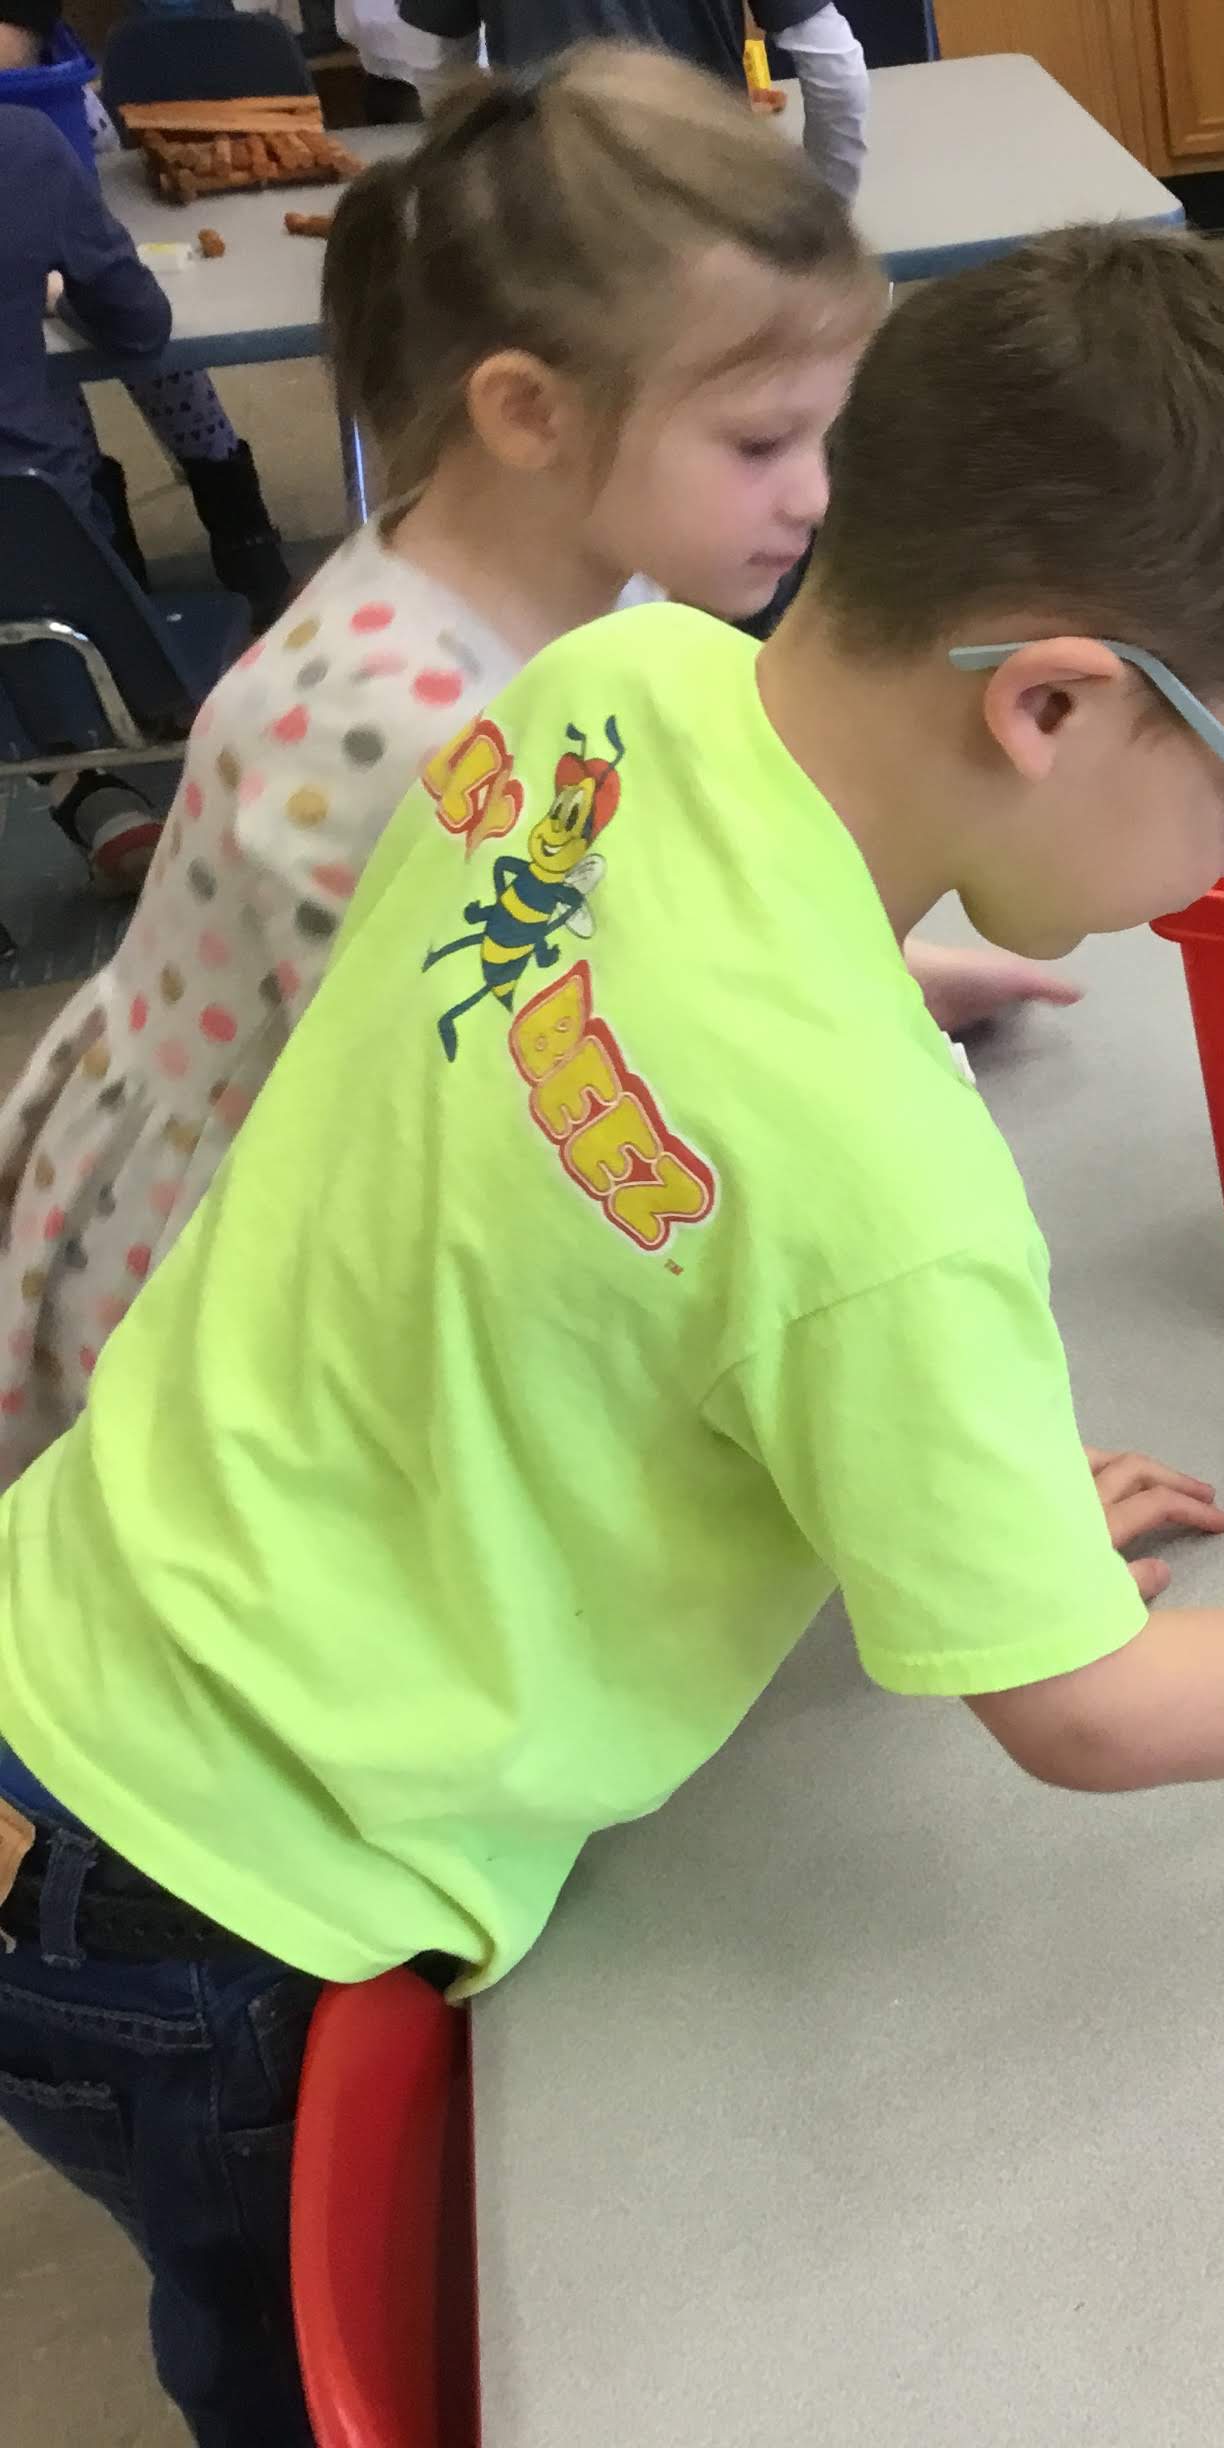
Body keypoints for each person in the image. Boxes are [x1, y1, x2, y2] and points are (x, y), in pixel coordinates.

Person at [0, 222, 1224, 2445]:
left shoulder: (605, 694)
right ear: (1053, 700)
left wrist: (941, 1503)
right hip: (239, 1907)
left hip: (70, 1632)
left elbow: (596, 1104)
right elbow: (1088, 1718)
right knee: (295, 2371)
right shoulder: (878, 1183)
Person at [0, 47, 982, 1494]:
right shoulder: (394, 742)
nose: (816, 494)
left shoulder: (609, 583)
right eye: (763, 440)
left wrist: (852, 976)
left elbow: (605, 906)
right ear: (528, 411)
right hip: (242, 1317)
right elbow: (499, 1161)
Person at [2, 0, 298, 882]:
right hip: (36, 547)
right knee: (40, 484)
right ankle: (100, 761)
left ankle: (83, 785)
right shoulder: (24, 148)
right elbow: (137, 324)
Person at [386, 0, 870, 199]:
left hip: (546, 198)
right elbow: (835, 67)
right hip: (711, 197)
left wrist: (472, 178)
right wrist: (827, 206)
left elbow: (435, 63)